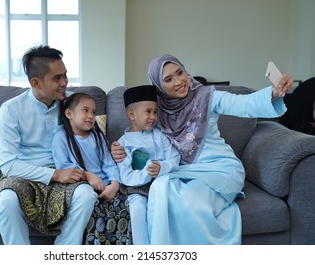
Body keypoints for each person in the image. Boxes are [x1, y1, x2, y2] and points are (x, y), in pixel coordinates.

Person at [111, 54, 294, 244]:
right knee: (161, 190)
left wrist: (275, 91)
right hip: (183, 172)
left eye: (180, 72)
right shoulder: (157, 112)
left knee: (189, 202)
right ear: (158, 86)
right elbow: (140, 136)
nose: (179, 81)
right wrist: (117, 148)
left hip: (220, 168)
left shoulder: (207, 96)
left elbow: (244, 104)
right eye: (168, 79)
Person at [0, 45, 97, 245]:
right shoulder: (11, 110)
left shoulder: (70, 105)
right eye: (57, 78)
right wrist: (54, 175)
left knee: (87, 195)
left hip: (65, 172)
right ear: (35, 82)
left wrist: (114, 149)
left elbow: (92, 135)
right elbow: (8, 164)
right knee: (6, 200)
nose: (64, 83)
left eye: (65, 76)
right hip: (23, 175)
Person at [52, 92, 131, 245]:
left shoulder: (97, 136)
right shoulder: (60, 138)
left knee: (125, 205)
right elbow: (65, 168)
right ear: (69, 113)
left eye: (93, 112)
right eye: (85, 110)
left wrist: (114, 184)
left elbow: (109, 163)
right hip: (85, 187)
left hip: (107, 186)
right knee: (94, 211)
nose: (90, 116)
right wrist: (88, 176)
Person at [117, 85, 180, 245]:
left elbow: (174, 159)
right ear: (131, 114)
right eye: (148, 111)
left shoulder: (160, 137)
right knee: (137, 209)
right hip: (136, 189)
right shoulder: (122, 144)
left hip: (163, 186)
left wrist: (161, 168)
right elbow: (126, 176)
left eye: (155, 111)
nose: (153, 116)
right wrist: (146, 172)